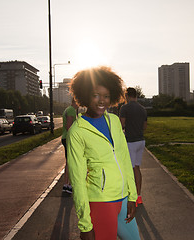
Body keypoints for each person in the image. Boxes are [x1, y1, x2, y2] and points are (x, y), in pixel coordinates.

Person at [67, 66, 141, 240]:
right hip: (101, 202)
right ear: (85, 96)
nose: (102, 101)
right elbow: (77, 181)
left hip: (123, 199)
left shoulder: (114, 121)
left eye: (106, 96)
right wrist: (85, 225)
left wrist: (133, 196)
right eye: (96, 95)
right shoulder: (77, 132)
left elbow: (124, 159)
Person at [119, 87, 147, 207]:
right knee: (137, 168)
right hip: (140, 141)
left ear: (126, 95)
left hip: (130, 142)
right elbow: (144, 126)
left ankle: (131, 197)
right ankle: (138, 196)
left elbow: (121, 125)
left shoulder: (124, 108)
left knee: (128, 170)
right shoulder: (142, 109)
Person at [61, 98, 78, 193]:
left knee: (68, 162)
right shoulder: (71, 110)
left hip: (65, 137)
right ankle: (69, 185)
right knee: (71, 162)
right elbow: (69, 126)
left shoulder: (67, 109)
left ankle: (66, 184)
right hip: (68, 138)